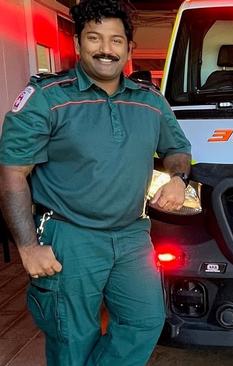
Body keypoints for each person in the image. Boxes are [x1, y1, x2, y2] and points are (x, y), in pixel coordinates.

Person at [0, 0, 192, 365]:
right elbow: (12, 173)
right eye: (95, 38)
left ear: (129, 48)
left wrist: (178, 179)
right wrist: (27, 247)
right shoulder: (47, 98)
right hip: (70, 236)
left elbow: (178, 149)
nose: (106, 49)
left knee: (145, 320)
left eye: (116, 40)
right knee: (72, 336)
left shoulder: (150, 101)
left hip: (133, 235)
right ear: (78, 44)